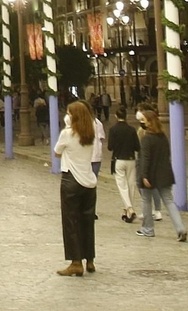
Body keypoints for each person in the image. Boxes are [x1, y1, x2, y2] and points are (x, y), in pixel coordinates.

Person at [53, 101, 100, 277]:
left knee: (71, 221)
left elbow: (57, 152)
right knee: (87, 221)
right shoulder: (90, 134)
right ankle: (90, 260)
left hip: (71, 179)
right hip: (89, 181)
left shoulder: (67, 134)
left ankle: (75, 262)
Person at [135, 109, 186, 241]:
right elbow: (167, 154)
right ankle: (180, 228)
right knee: (169, 201)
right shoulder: (163, 136)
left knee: (146, 201)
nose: (142, 123)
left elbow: (145, 158)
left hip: (150, 174)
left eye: (143, 121)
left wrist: (144, 175)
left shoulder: (147, 139)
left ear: (149, 122)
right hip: (164, 173)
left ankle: (148, 228)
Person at [107, 110, 141, 223]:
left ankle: (129, 209)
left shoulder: (113, 130)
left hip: (119, 159)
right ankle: (126, 210)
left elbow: (110, 147)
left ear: (116, 116)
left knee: (122, 186)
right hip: (131, 159)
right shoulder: (132, 130)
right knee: (131, 185)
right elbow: (137, 146)